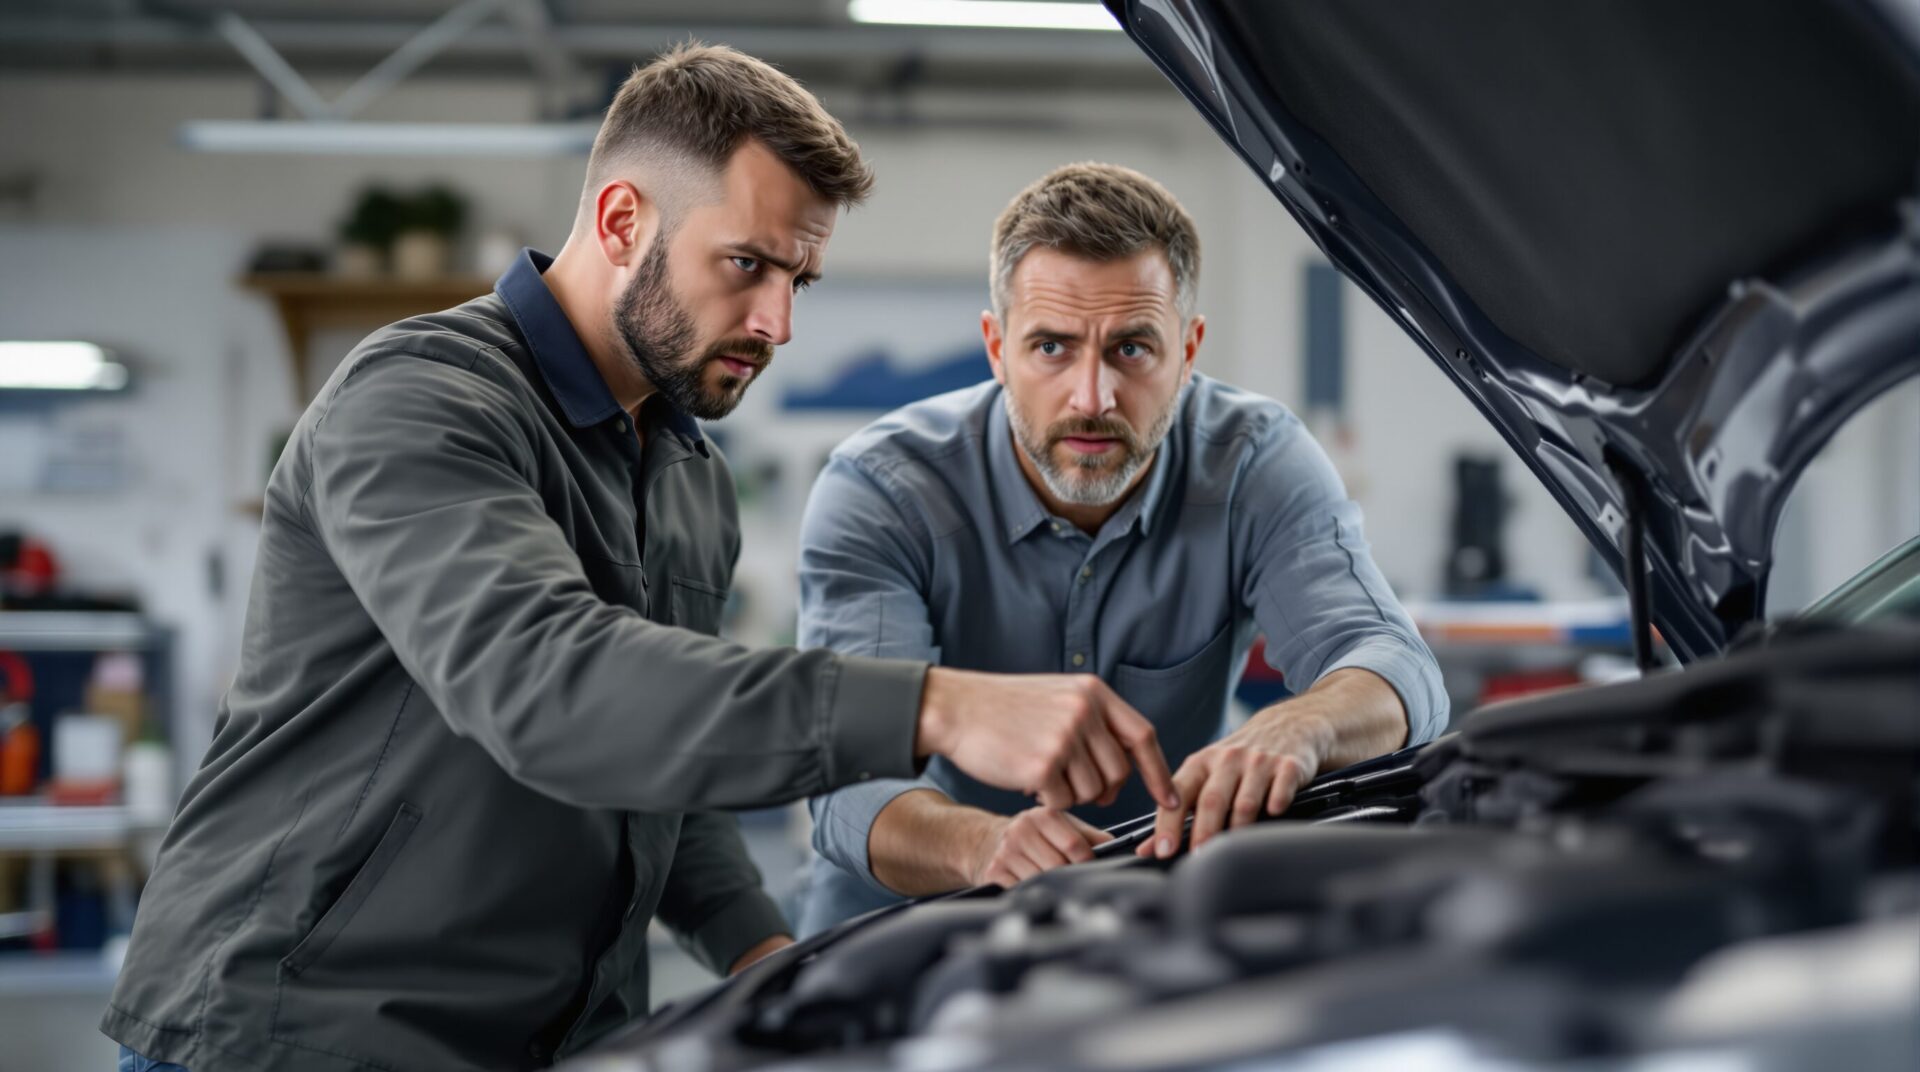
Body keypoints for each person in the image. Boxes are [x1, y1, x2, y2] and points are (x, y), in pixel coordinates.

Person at [103, 49, 1175, 1072]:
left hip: (553, 1039)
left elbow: (662, 778)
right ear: (622, 219)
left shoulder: (685, 473)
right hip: (292, 1035)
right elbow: (551, 686)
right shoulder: (422, 401)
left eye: (801, 277)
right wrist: (938, 706)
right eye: (747, 265)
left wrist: (769, 962)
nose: (778, 321)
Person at [799, 163, 1447, 934]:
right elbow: (846, 782)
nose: (1093, 399)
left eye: (1133, 349)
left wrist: (1300, 725)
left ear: (1189, 348)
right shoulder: (883, 489)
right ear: (995, 346)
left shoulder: (1254, 462)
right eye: (1051, 347)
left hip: (1153, 918)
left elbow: (1395, 665)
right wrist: (986, 845)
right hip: (905, 929)